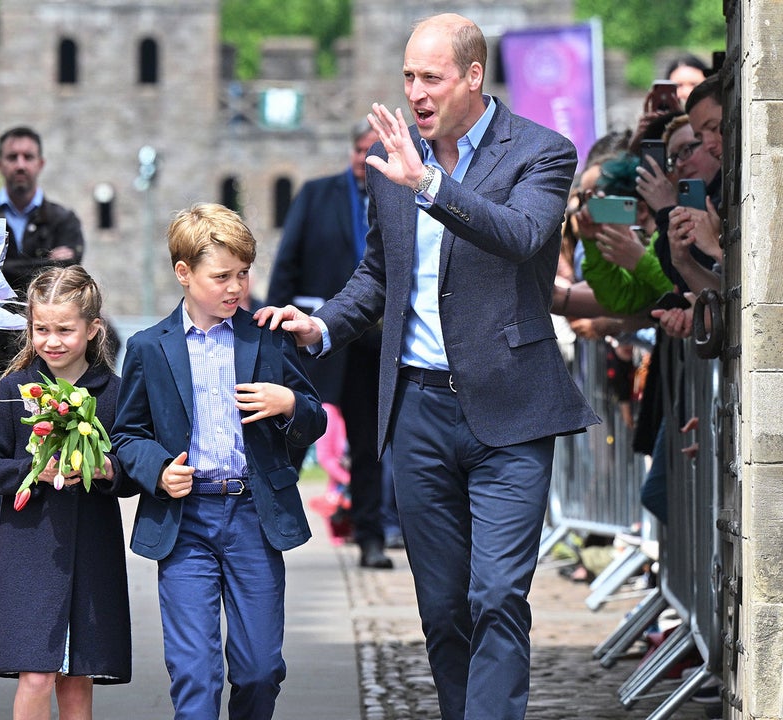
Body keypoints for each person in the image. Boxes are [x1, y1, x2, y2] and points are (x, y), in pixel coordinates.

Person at [256, 14, 597, 720]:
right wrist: (324, 323)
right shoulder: (394, 161)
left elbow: (523, 235)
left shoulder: (542, 151)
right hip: (416, 409)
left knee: (497, 594)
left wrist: (431, 185)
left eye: (431, 77)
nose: (415, 91)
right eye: (408, 76)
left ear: (473, 76)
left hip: (511, 408)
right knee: (443, 608)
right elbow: (381, 274)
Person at [113, 203, 326, 720]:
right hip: (185, 521)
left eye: (244, 274)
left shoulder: (268, 335)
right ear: (183, 273)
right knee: (195, 674)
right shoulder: (148, 347)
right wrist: (158, 469)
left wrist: (289, 404)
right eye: (222, 276)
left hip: (255, 516)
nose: (236, 287)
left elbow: (314, 418)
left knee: (260, 670)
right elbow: (127, 434)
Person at [0, 265, 134, 720]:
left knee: (78, 677)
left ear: (93, 328)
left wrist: (107, 469)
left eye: (65, 330)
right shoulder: (14, 388)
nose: (52, 341)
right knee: (36, 675)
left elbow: (132, 472)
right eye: (41, 329)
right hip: (30, 553)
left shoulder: (114, 393)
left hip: (92, 553)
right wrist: (32, 471)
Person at [0, 126, 85, 599]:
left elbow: (67, 278)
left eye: (28, 156)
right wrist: (40, 264)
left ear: (40, 163)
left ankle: (36, 555)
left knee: (49, 450)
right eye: (12, 156)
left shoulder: (64, 219)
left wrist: (6, 268)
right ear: (0, 164)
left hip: (50, 362)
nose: (20, 164)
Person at [267, 122, 394, 566]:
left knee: (368, 444)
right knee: (294, 433)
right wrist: (274, 332)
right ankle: (268, 524)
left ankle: (370, 536)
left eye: (373, 151)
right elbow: (287, 262)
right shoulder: (317, 194)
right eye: (359, 150)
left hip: (371, 343)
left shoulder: (398, 197)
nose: (364, 159)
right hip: (313, 338)